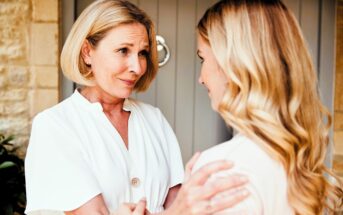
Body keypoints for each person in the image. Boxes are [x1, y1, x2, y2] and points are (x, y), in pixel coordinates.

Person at [24, 0, 250, 215]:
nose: (137, 66)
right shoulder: (55, 125)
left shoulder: (153, 119)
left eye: (142, 53)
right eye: (123, 50)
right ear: (87, 52)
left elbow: (180, 203)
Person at [193, 0, 343, 214]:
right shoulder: (298, 163)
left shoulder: (219, 171)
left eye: (202, 59)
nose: (201, 78)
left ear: (232, 64)